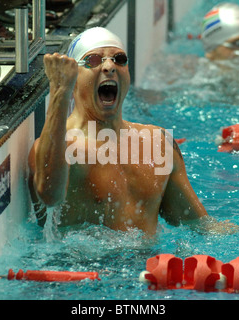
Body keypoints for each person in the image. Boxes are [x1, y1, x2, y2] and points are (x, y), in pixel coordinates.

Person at [28, 27, 209, 235]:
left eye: (119, 59)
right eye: (93, 60)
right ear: (73, 77)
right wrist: (60, 92)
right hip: (83, 265)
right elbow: (49, 195)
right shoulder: (61, 147)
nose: (109, 66)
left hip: (148, 266)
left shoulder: (157, 143)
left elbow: (201, 228)